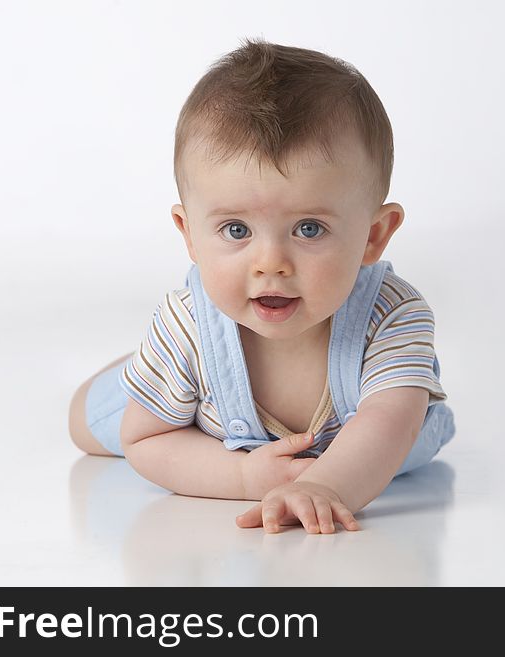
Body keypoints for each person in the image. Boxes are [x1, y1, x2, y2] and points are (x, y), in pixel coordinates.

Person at [68, 37, 455, 534]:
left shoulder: (392, 315)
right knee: (85, 425)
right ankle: (143, 370)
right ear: (190, 235)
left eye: (309, 229)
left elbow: (389, 422)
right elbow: (145, 441)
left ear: (373, 235)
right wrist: (245, 474)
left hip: (374, 448)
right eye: (236, 230)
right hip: (197, 408)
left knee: (404, 429)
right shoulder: (188, 325)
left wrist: (325, 487)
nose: (270, 265)